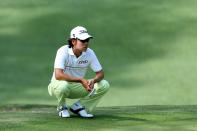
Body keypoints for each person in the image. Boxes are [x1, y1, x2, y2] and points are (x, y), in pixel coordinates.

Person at [48, 26, 110, 118]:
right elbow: (58, 75)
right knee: (63, 85)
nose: (86, 43)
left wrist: (94, 80)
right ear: (73, 41)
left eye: (87, 40)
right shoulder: (63, 51)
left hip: (77, 87)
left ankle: (79, 106)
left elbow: (100, 74)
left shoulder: (90, 53)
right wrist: (81, 80)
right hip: (57, 86)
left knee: (104, 84)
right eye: (82, 40)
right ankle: (62, 107)